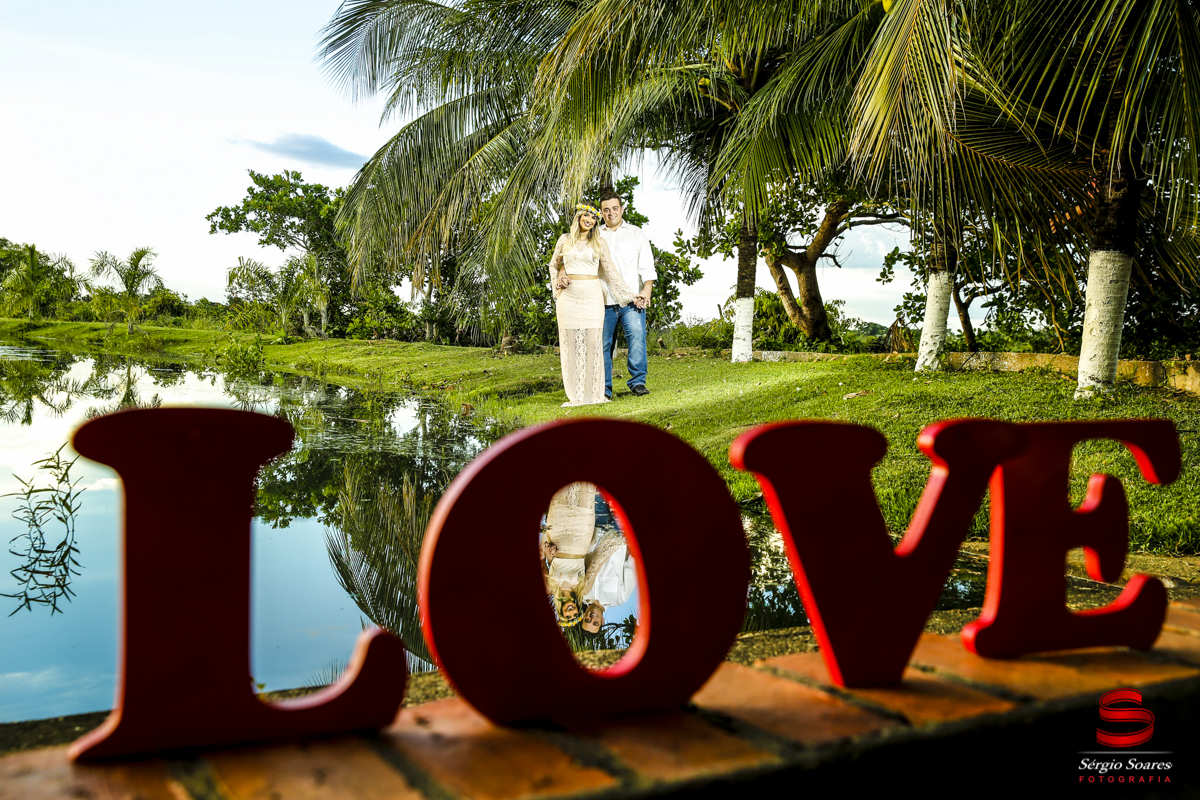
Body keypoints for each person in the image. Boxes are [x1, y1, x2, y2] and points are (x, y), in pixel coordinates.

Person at [548, 204, 640, 406]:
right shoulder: (565, 240)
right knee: (571, 343)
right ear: (579, 217)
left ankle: (594, 394)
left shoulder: (599, 242)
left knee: (593, 344)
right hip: (568, 296)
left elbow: (610, 271)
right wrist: (558, 281)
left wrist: (630, 294)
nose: (589, 219)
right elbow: (554, 265)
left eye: (593, 217)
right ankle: (576, 394)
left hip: (592, 295)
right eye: (586, 216)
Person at [598, 191, 656, 398]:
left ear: (622, 209)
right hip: (603, 300)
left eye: (615, 208)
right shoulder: (596, 235)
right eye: (606, 209)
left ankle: (638, 382)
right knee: (603, 345)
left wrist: (646, 290)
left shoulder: (636, 233)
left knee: (637, 339)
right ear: (602, 213)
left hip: (632, 300)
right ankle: (604, 389)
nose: (611, 212)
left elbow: (647, 266)